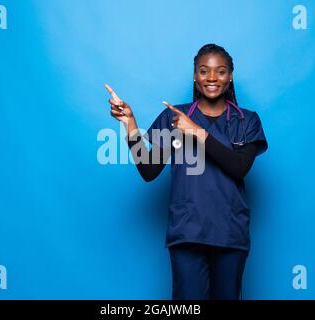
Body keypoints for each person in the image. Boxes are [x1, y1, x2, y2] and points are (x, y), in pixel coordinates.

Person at [105, 43, 268, 300]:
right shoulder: (173, 118)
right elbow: (148, 170)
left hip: (230, 234)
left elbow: (239, 168)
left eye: (220, 71)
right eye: (204, 71)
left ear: (230, 76)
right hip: (187, 233)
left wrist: (195, 131)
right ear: (194, 75)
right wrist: (130, 125)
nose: (212, 78)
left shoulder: (246, 121)